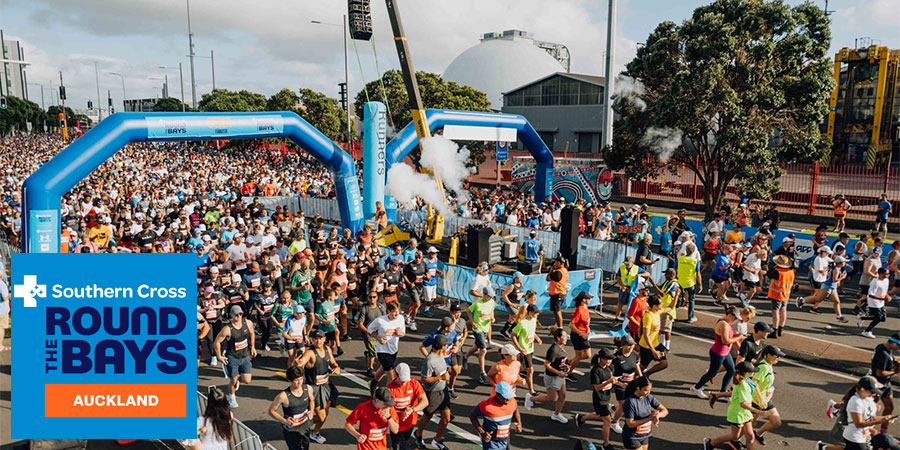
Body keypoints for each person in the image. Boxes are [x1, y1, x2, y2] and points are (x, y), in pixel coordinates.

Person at [816, 377, 897, 450]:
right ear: (862, 389)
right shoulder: (855, 402)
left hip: (864, 434)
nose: (874, 394)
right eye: (871, 391)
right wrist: (881, 421)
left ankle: (822, 448)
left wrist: (886, 418)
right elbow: (859, 424)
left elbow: (871, 417)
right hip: (854, 437)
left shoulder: (868, 399)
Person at [702, 362, 764, 450]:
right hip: (737, 414)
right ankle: (710, 442)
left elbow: (748, 396)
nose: (753, 373)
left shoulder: (747, 380)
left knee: (750, 436)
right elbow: (743, 404)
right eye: (751, 371)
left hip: (745, 414)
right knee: (735, 436)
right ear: (745, 373)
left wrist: (758, 401)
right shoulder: (742, 385)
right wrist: (758, 411)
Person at [296, 329, 341, 444]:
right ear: (312, 339)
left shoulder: (327, 350)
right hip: (314, 388)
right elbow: (302, 363)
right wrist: (298, 364)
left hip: (326, 385)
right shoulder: (310, 353)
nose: (317, 340)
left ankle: (315, 432)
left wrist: (336, 367)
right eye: (315, 338)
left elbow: (333, 363)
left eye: (320, 338)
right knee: (321, 417)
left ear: (324, 339)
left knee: (326, 412)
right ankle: (300, 423)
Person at [691, 306, 746, 399]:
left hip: (725, 352)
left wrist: (737, 336)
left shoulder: (727, 323)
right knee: (712, 372)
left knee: (731, 370)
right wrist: (739, 338)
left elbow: (729, 336)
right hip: (718, 352)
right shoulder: (724, 324)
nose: (736, 320)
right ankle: (697, 387)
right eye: (735, 317)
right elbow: (725, 341)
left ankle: (723, 391)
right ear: (729, 315)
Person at [214, 305, 257, 408]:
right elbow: (217, 341)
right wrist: (219, 356)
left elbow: (252, 333)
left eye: (240, 314)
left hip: (245, 356)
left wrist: (253, 347)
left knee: (247, 380)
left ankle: (237, 381)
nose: (239, 316)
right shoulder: (227, 329)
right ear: (231, 315)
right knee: (232, 381)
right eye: (236, 315)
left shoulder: (248, 323)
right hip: (232, 357)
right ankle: (232, 398)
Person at [525, 327, 570, 424]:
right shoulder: (553, 350)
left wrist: (566, 366)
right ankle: (531, 398)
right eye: (564, 336)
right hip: (552, 377)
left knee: (562, 395)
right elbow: (546, 365)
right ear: (558, 338)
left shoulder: (561, 347)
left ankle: (556, 414)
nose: (566, 338)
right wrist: (558, 373)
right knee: (551, 398)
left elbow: (560, 361)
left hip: (560, 376)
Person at [575, 347, 617, 450]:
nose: (610, 361)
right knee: (607, 420)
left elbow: (612, 380)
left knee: (601, 416)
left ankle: (582, 418)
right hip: (599, 398)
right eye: (608, 359)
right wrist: (609, 382)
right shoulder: (595, 371)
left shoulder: (610, 367)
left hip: (607, 396)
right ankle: (606, 444)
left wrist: (621, 384)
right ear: (601, 359)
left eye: (610, 359)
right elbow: (596, 387)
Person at [415, 335, 452, 450]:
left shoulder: (440, 354)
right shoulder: (429, 361)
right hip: (433, 393)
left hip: (443, 391)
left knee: (446, 418)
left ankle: (437, 439)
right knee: (427, 416)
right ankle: (418, 434)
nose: (447, 346)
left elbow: (441, 366)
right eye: (446, 344)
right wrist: (440, 377)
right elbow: (424, 379)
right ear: (441, 346)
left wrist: (447, 368)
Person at [268, 365, 315, 450]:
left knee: (306, 447)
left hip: (305, 425)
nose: (299, 382)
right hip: (292, 429)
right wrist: (285, 421)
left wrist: (311, 411)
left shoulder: (308, 388)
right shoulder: (283, 396)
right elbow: (271, 411)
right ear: (289, 380)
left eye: (301, 379)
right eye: (296, 380)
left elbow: (312, 400)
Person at [386, 363, 428, 450]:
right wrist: (401, 413)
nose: (404, 383)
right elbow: (387, 409)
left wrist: (412, 410)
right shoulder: (390, 389)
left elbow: (425, 401)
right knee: (397, 445)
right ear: (395, 374)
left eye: (405, 381)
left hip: (410, 422)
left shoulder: (414, 383)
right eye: (401, 380)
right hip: (396, 424)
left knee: (405, 439)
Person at [470, 381, 523, 450]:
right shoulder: (486, 406)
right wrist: (482, 433)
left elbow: (515, 410)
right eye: (505, 397)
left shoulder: (512, 401)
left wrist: (518, 423)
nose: (507, 399)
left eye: (509, 396)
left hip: (505, 440)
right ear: (497, 394)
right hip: (491, 443)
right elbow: (472, 415)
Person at [750, 345, 786, 445]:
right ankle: (734, 440)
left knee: (776, 421)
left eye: (780, 356)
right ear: (768, 355)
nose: (778, 358)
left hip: (765, 400)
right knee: (750, 424)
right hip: (757, 400)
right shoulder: (763, 367)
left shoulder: (769, 365)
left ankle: (757, 434)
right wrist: (760, 399)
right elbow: (754, 383)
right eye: (776, 356)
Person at [621, 376, 668, 450]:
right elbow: (630, 424)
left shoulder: (649, 397)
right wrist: (650, 418)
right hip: (632, 436)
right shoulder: (630, 402)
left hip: (645, 435)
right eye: (646, 390)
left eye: (650, 390)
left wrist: (657, 415)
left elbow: (665, 410)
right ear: (638, 388)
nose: (648, 392)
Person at [368, 302, 407, 388]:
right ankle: (388, 398)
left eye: (398, 311)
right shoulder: (380, 320)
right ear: (388, 311)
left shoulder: (400, 318)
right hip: (382, 350)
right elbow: (370, 329)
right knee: (391, 375)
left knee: (383, 369)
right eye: (394, 312)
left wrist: (400, 333)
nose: (396, 314)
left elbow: (403, 333)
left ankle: (373, 383)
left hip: (394, 350)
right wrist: (378, 338)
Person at [465, 286, 497, 385]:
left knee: (477, 346)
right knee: (483, 350)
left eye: (492, 297)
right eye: (489, 296)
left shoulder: (491, 302)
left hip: (485, 328)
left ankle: (464, 357)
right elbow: (468, 311)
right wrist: (472, 321)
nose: (491, 298)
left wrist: (492, 318)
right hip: (477, 328)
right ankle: (483, 374)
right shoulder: (477, 304)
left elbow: (491, 311)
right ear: (484, 295)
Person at [610, 335, 642, 434]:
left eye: (632, 345)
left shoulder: (634, 354)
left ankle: (614, 409)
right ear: (623, 345)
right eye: (628, 345)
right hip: (620, 384)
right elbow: (610, 371)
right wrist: (618, 383)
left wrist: (641, 377)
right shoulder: (616, 357)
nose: (631, 347)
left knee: (630, 401)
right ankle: (614, 423)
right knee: (624, 405)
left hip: (631, 383)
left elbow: (636, 364)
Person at [870, 333, 900, 433]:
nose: (899, 349)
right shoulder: (884, 355)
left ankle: (883, 432)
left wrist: (895, 361)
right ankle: (868, 429)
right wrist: (896, 372)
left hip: (886, 384)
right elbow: (880, 373)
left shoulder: (882, 346)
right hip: (879, 384)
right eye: (899, 347)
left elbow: (890, 358)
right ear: (894, 344)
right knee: (871, 409)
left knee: (889, 407)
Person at [511, 303, 543, 395]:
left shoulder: (533, 320)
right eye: (536, 313)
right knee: (530, 370)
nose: (538, 314)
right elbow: (513, 335)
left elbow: (532, 332)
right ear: (530, 312)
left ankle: (510, 372)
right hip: (525, 350)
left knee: (522, 368)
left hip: (530, 348)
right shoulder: (522, 323)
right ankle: (531, 391)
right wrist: (520, 348)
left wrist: (537, 338)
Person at [638, 296, 670, 377]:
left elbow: (671, 307)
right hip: (646, 346)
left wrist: (676, 295)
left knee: (664, 364)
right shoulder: (648, 316)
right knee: (643, 366)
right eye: (660, 303)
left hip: (656, 344)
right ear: (655, 306)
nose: (662, 304)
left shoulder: (658, 312)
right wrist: (653, 351)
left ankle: (647, 374)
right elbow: (646, 335)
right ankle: (629, 379)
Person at [358, 289, 387, 378]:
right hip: (368, 333)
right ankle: (370, 368)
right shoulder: (365, 308)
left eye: (374, 297)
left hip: (379, 332)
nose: (372, 299)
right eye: (370, 297)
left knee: (378, 349)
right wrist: (369, 332)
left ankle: (368, 354)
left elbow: (385, 319)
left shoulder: (381, 307)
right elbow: (360, 324)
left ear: (377, 298)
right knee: (373, 351)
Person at [796, 246, 833, 314]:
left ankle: (809, 303)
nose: (828, 254)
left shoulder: (825, 258)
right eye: (827, 253)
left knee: (819, 294)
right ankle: (804, 301)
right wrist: (828, 268)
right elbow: (820, 270)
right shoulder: (818, 259)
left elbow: (832, 261)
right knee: (820, 295)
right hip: (817, 279)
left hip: (823, 279)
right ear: (823, 252)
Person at [766, 254, 795, 338]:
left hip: (777, 294)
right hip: (786, 294)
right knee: (783, 311)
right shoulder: (791, 272)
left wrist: (773, 267)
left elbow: (768, 274)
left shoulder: (777, 272)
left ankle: (774, 330)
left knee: (775, 312)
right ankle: (780, 329)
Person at [651, 269, 680, 350]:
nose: (665, 276)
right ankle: (663, 344)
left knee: (666, 329)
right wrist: (653, 283)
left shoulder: (673, 283)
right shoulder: (668, 282)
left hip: (668, 309)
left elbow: (663, 294)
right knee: (663, 328)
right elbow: (660, 288)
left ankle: (667, 346)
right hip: (663, 308)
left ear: (671, 275)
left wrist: (653, 283)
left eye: (666, 274)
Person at [568, 292, 594, 379]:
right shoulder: (579, 310)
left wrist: (588, 328)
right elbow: (571, 325)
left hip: (584, 335)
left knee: (587, 355)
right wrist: (581, 333)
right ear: (584, 300)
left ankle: (568, 362)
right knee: (578, 356)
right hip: (577, 336)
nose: (590, 299)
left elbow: (585, 321)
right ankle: (568, 372)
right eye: (589, 298)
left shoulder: (585, 307)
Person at [859, 268, 890, 339]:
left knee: (883, 318)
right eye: (887, 274)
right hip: (873, 302)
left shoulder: (886, 280)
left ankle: (862, 317)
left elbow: (885, 290)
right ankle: (866, 331)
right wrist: (882, 298)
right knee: (878, 318)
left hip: (881, 302)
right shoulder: (875, 282)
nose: (888, 275)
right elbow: (870, 295)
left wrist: (887, 296)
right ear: (881, 274)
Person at [614, 256, 647, 323]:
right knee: (620, 304)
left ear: (632, 262)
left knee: (631, 305)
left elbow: (647, 273)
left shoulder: (636, 268)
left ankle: (628, 320)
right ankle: (616, 319)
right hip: (624, 288)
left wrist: (640, 274)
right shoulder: (621, 267)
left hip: (633, 289)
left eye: (628, 263)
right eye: (625, 263)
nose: (626, 264)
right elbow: (618, 278)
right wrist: (622, 285)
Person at [402, 250, 427, 331]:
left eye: (419, 257)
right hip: (412, 286)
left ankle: (407, 315)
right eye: (416, 257)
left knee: (412, 303)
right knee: (417, 304)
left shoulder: (423, 264)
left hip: (420, 286)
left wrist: (428, 276)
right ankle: (412, 321)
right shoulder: (410, 265)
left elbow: (427, 272)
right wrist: (409, 283)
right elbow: (404, 275)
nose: (418, 259)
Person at [677, 243, 702, 322]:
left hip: (680, 281)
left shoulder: (680, 259)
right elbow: (698, 274)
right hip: (690, 282)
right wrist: (700, 284)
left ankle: (673, 315)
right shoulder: (695, 261)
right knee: (691, 299)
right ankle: (690, 317)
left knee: (676, 297)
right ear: (694, 251)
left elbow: (675, 268)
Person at [499, 272, 526, 339]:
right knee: (516, 316)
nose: (521, 278)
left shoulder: (521, 284)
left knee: (511, 319)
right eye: (520, 277)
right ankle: (510, 331)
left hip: (517, 304)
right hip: (510, 304)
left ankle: (504, 331)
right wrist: (510, 303)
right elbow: (504, 295)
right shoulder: (512, 286)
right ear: (515, 278)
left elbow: (520, 294)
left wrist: (525, 296)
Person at [547, 257, 570, 329]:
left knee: (557, 312)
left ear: (559, 263)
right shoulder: (564, 270)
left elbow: (547, 278)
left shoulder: (558, 273)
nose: (554, 264)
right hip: (560, 293)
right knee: (556, 311)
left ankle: (560, 327)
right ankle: (557, 325)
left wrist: (551, 270)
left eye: (556, 262)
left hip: (557, 294)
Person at [422, 247, 444, 316]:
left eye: (435, 253)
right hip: (427, 282)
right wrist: (425, 277)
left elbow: (434, 268)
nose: (434, 254)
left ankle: (426, 310)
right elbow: (421, 271)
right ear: (429, 253)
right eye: (433, 253)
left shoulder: (435, 259)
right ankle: (417, 306)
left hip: (433, 282)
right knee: (427, 298)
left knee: (432, 298)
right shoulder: (425, 260)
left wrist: (439, 271)